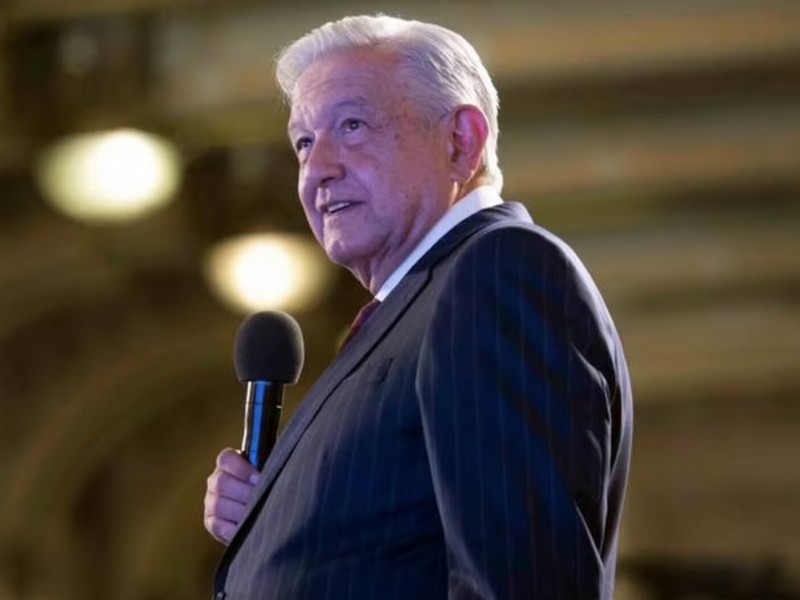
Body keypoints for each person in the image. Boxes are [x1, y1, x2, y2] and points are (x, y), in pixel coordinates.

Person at [203, 14, 633, 600]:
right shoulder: (417, 309)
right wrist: (274, 516)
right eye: (303, 143)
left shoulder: (497, 273)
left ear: (461, 141)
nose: (317, 169)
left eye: (353, 126)